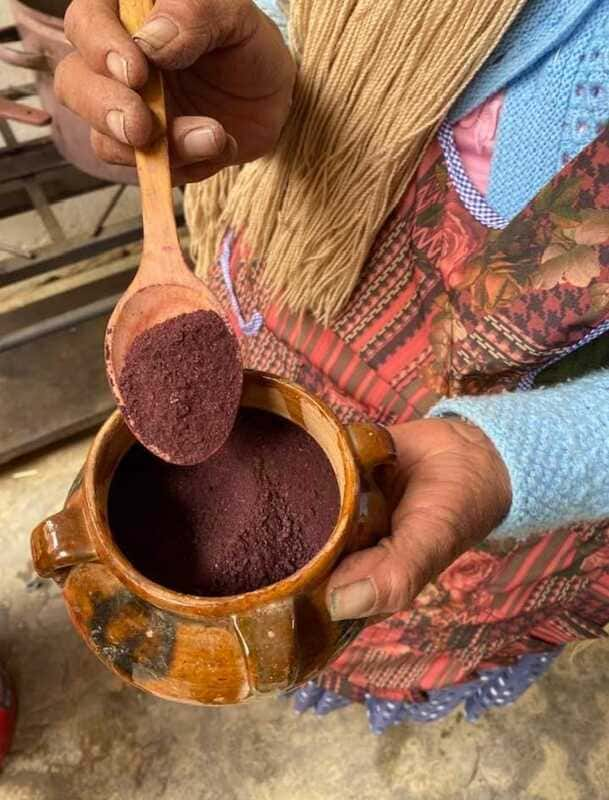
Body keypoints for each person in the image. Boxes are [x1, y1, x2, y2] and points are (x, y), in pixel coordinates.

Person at [56, 0, 609, 732]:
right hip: (261, 328)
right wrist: (200, 101)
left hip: (501, 487)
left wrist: (517, 457)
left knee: (390, 616)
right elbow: (98, 117)